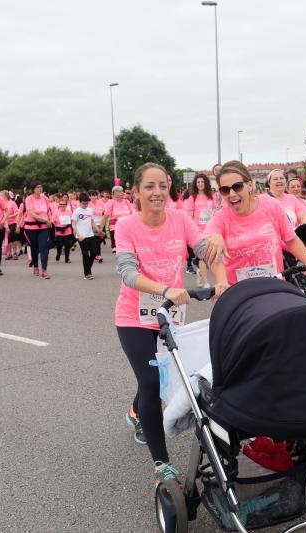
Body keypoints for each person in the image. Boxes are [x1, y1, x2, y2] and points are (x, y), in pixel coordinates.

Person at [115, 162, 226, 485]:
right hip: (134, 317)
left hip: (170, 315)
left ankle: (136, 411)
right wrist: (165, 289)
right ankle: (162, 464)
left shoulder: (180, 218)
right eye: (149, 186)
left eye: (162, 186)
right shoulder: (126, 226)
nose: (157, 192)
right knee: (152, 382)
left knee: (155, 375)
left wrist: (221, 282)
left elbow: (206, 250)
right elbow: (127, 272)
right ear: (136, 192)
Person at [205, 160, 306, 285]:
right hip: (240, 293)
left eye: (237, 186)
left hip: (273, 287)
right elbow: (207, 245)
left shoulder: (271, 205)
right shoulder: (221, 217)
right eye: (225, 190)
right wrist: (214, 238)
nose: (232, 194)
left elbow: (290, 239)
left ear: (249, 185)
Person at [184, 173, 217, 287]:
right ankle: (206, 282)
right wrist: (194, 231)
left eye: (202, 182)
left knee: (211, 256)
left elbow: (215, 213)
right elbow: (189, 217)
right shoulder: (192, 198)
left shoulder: (211, 197)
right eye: (198, 182)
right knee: (202, 256)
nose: (200, 184)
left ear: (206, 183)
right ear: (195, 184)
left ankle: (199, 271)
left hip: (211, 230)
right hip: (198, 232)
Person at [21, 182, 52, 278]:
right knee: (34, 248)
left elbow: (48, 211)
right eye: (38, 187)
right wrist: (44, 219)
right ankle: (35, 266)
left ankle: (44, 270)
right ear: (33, 189)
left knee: (44, 248)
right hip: (31, 228)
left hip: (43, 227)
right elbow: (31, 213)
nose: (40, 189)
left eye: (41, 187)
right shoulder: (29, 199)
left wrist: (50, 220)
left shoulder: (45, 198)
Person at [71, 193, 101, 279]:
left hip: (90, 234)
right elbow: (73, 224)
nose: (85, 205)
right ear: (79, 202)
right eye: (84, 203)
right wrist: (78, 235)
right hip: (81, 236)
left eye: (87, 203)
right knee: (85, 255)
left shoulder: (90, 210)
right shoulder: (76, 211)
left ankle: (88, 269)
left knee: (94, 252)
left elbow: (92, 222)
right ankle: (87, 273)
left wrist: (98, 231)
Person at [103, 185, 135, 253]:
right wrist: (101, 229)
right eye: (120, 192)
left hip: (127, 224)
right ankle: (115, 246)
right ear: (114, 193)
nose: (122, 193)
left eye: (122, 191)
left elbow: (132, 213)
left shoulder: (126, 201)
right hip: (115, 224)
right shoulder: (111, 202)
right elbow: (105, 217)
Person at [52, 195, 74, 263]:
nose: (62, 205)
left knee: (67, 246)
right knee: (59, 245)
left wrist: (73, 230)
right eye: (61, 204)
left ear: (66, 205)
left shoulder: (69, 212)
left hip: (67, 231)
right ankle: (58, 254)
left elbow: (72, 221)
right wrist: (55, 231)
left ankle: (67, 258)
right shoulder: (56, 212)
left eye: (63, 204)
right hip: (59, 231)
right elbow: (53, 222)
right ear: (59, 205)